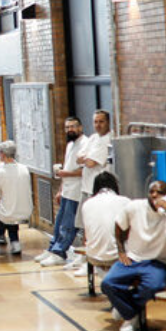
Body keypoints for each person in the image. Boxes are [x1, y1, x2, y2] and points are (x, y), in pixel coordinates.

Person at [101, 180, 166, 331]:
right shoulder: (135, 207)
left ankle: (127, 311)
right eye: (152, 192)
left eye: (160, 193)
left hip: (156, 261)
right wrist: (121, 251)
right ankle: (130, 314)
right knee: (108, 283)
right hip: (132, 257)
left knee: (154, 286)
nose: (155, 195)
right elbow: (119, 225)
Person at [65, 110, 113, 272]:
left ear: (108, 123)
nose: (98, 125)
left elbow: (91, 162)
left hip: (96, 189)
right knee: (84, 224)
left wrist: (85, 159)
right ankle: (83, 257)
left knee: (94, 225)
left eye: (101, 122)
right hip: (85, 187)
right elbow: (80, 158)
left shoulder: (107, 140)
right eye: (95, 122)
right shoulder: (93, 138)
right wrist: (85, 159)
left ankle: (92, 261)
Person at [35, 117, 86, 267]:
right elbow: (66, 167)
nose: (70, 129)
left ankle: (59, 252)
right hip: (67, 190)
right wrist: (60, 189)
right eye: (67, 127)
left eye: (73, 126)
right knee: (58, 223)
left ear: (80, 127)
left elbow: (84, 170)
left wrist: (65, 174)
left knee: (68, 225)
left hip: (77, 191)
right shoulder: (70, 144)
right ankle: (52, 248)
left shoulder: (85, 144)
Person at [76, 172, 131, 280]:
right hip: (119, 256)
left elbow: (86, 236)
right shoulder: (125, 201)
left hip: (93, 256)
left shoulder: (87, 204)